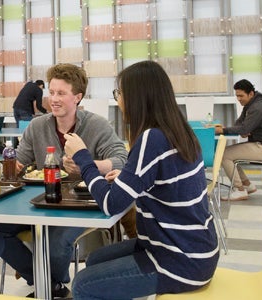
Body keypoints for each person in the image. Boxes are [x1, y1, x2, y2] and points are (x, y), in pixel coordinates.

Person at [64, 60, 219, 299]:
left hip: (178, 259)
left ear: (138, 98)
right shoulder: (179, 131)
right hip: (193, 247)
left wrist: (83, 157)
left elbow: (110, 204)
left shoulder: (151, 138)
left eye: (120, 93)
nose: (118, 100)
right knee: (95, 258)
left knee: (82, 285)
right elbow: (162, 181)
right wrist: (127, 179)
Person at [0, 63, 128, 298]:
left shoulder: (96, 125)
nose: (53, 99)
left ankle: (49, 285)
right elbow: (21, 164)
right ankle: (47, 281)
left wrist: (89, 165)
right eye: (51, 92)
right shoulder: (37, 126)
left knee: (56, 242)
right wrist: (14, 166)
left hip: (81, 203)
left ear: (77, 97)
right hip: (41, 201)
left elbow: (121, 160)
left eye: (61, 93)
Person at [214, 79, 262, 201]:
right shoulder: (250, 105)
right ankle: (247, 185)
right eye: (237, 96)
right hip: (261, 145)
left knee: (223, 155)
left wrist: (222, 130)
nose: (238, 99)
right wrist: (243, 129)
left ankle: (239, 189)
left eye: (241, 96)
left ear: (251, 94)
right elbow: (239, 124)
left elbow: (243, 128)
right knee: (228, 154)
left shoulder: (257, 108)